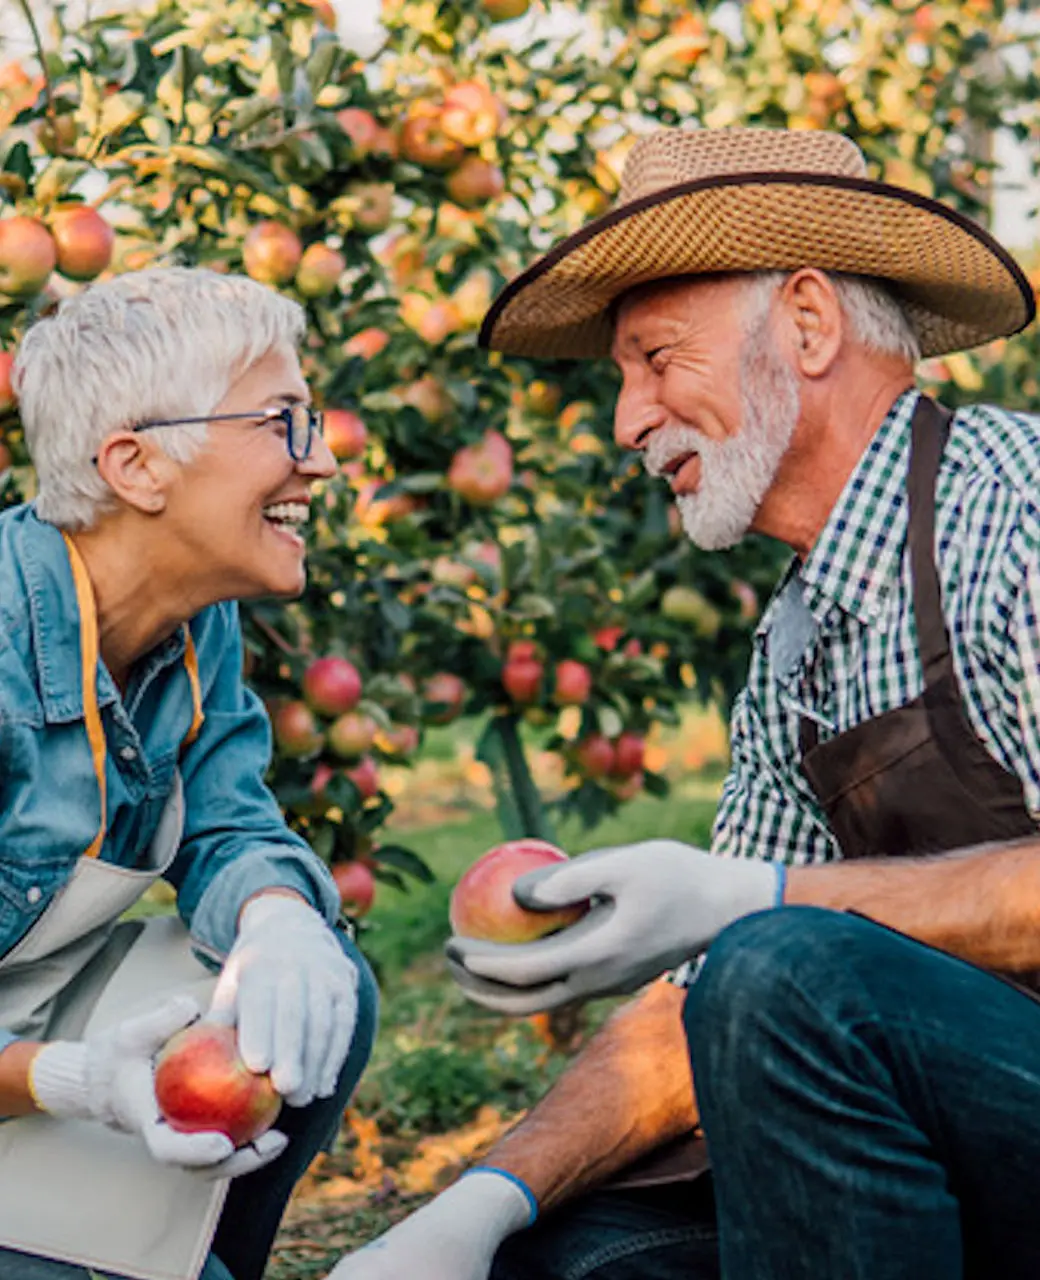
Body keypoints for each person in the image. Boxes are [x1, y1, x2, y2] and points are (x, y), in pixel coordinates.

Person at [326, 126, 1040, 1280]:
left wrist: (753, 901)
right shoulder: (792, 652)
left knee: (784, 966)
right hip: (949, 1133)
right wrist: (477, 1204)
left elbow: (773, 963)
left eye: (655, 357)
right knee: (570, 1257)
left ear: (806, 325)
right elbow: (699, 1000)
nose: (625, 419)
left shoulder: (1017, 517)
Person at [0, 267, 377, 1280]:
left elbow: (226, 825)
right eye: (283, 423)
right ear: (136, 465)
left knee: (315, 992)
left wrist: (275, 915)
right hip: (21, 1056)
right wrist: (72, 1079)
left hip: (25, 1012)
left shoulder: (192, 621)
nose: (323, 462)